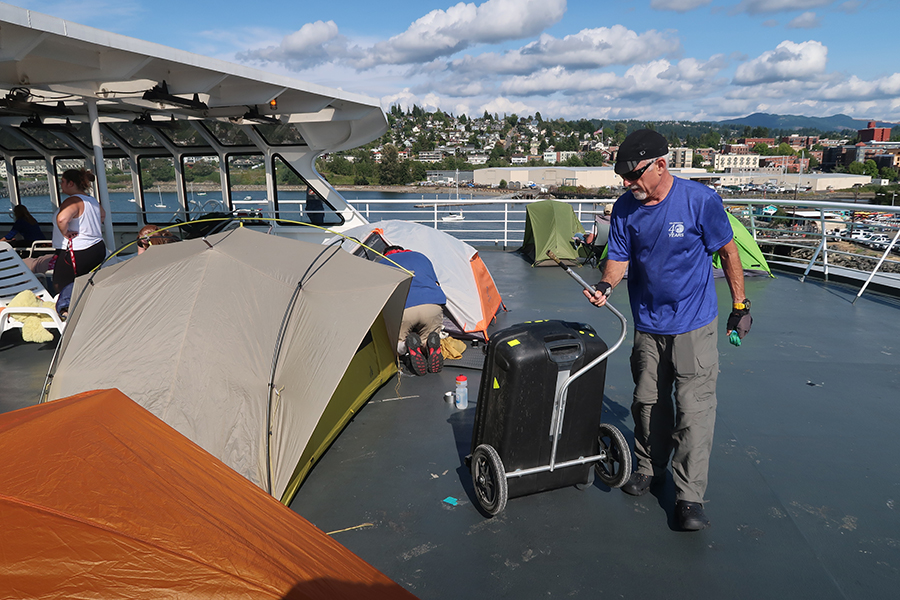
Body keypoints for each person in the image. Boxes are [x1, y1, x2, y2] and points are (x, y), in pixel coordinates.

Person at [585, 129, 751, 532]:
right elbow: (618, 258)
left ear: (661, 165)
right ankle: (648, 466)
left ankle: (689, 496)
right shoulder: (625, 207)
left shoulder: (700, 201)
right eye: (622, 176)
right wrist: (607, 286)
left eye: (634, 174)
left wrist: (741, 306)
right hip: (648, 323)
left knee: (693, 411)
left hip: (694, 324)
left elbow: (728, 251)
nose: (628, 184)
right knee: (647, 402)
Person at [379, 245, 447, 376]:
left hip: (404, 309)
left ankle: (405, 346)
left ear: (385, 254)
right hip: (432, 305)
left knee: (395, 346)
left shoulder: (382, 263)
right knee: (429, 333)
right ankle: (428, 344)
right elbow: (436, 283)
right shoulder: (421, 256)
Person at [52, 168, 106, 317]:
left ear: (71, 183)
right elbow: (102, 215)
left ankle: (67, 316)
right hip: (96, 247)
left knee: (61, 285)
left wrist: (65, 232)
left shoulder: (73, 201)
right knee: (83, 281)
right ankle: (85, 311)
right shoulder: (91, 200)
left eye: (62, 181)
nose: (61, 185)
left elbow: (62, 219)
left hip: (77, 250)